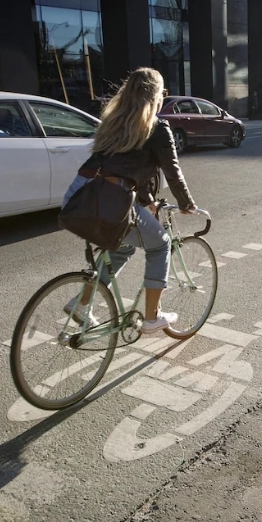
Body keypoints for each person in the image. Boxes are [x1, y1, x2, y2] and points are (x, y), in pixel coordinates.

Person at [61, 67, 198, 334]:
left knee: (122, 248)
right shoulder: (158, 128)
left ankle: (81, 304)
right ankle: (152, 317)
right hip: (111, 199)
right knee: (160, 244)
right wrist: (186, 204)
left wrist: (146, 201)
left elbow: (128, 169)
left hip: (80, 194)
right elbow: (172, 172)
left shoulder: (113, 122)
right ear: (157, 96)